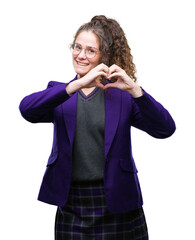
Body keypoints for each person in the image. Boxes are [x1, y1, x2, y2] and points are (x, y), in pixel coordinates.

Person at [19, 15, 176, 240]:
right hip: (72, 203)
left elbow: (165, 129)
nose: (81, 55)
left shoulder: (123, 97)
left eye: (90, 50)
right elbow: (27, 110)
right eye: (77, 47)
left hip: (119, 201)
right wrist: (77, 84)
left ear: (105, 55)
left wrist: (136, 91)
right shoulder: (60, 93)